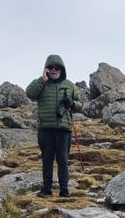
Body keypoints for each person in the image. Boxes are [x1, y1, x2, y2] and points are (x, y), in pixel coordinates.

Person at [25, 54, 83, 198]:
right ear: (46, 69)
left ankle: (64, 190)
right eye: (51, 68)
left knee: (63, 160)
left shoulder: (70, 85)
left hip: (64, 130)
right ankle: (47, 189)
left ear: (62, 69)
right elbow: (29, 93)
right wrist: (42, 79)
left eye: (57, 68)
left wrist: (73, 104)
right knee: (47, 159)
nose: (54, 70)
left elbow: (80, 104)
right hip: (46, 129)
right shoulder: (41, 83)